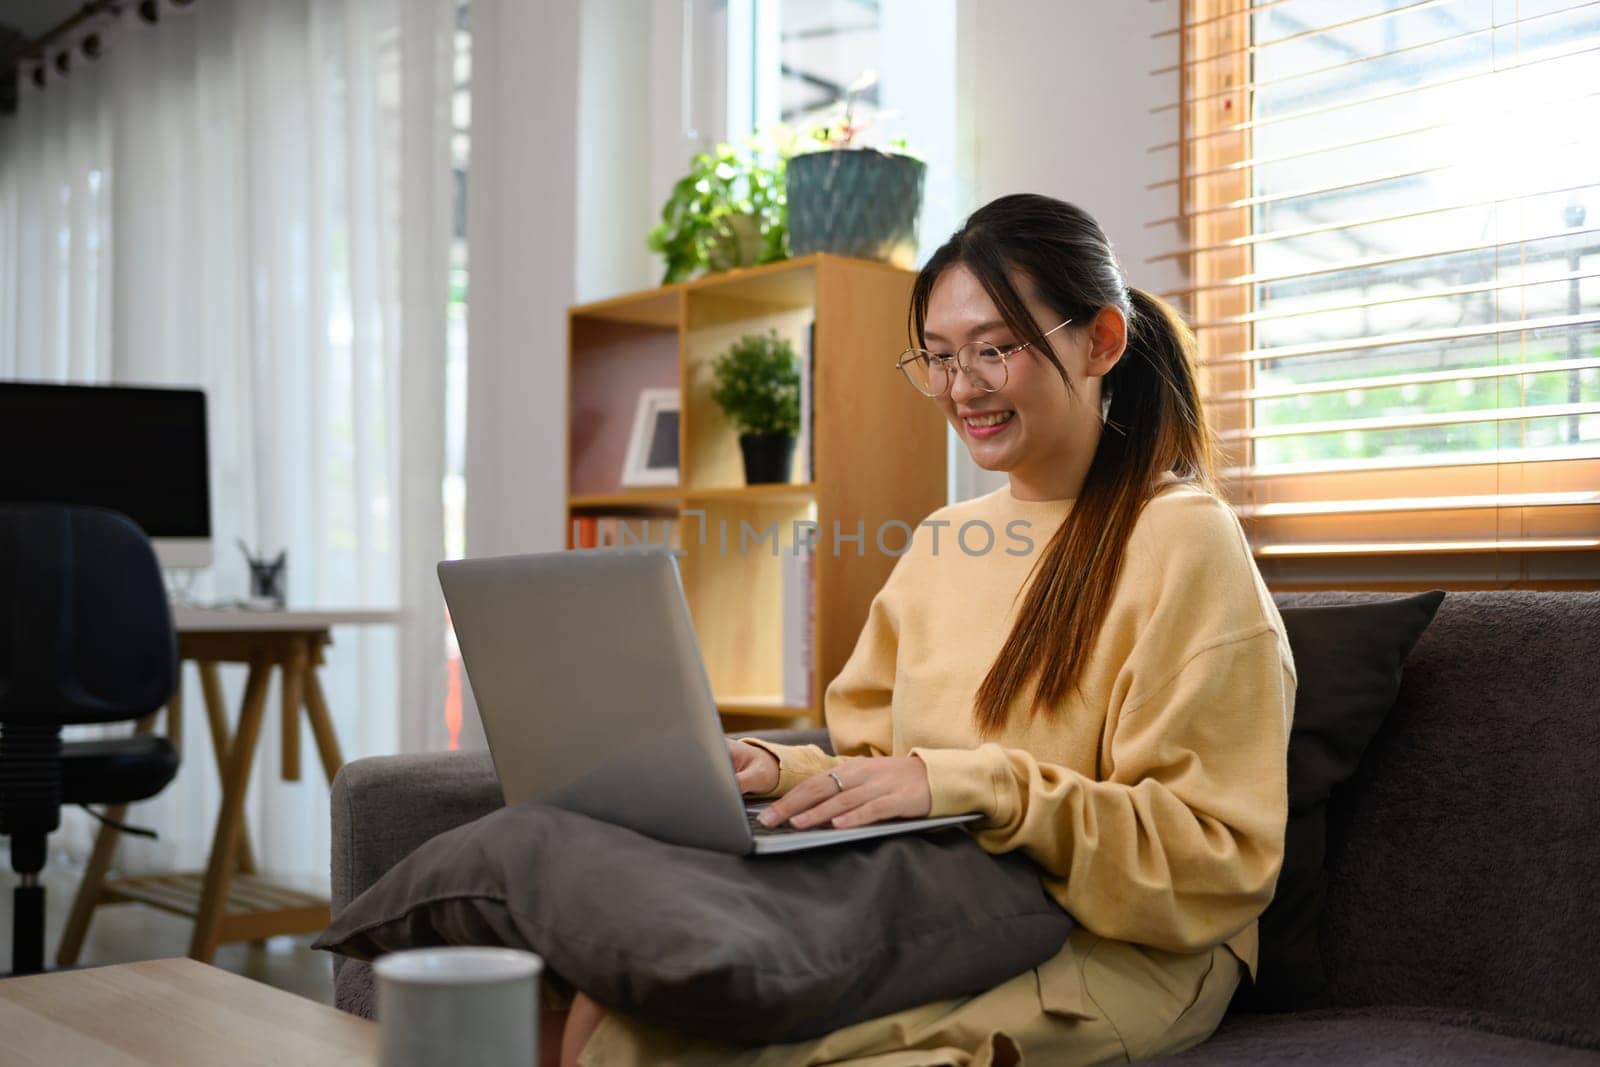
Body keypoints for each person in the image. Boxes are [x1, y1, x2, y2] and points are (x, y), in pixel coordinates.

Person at [544, 193, 1296, 1066]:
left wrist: (990, 788)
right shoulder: (946, 539)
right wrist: (781, 769)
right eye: (938, 357)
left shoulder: (1182, 537)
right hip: (940, 905)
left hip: (1126, 946)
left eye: (994, 349)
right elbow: (891, 779)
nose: (961, 387)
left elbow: (1212, 864)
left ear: (1101, 342)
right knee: (629, 1016)